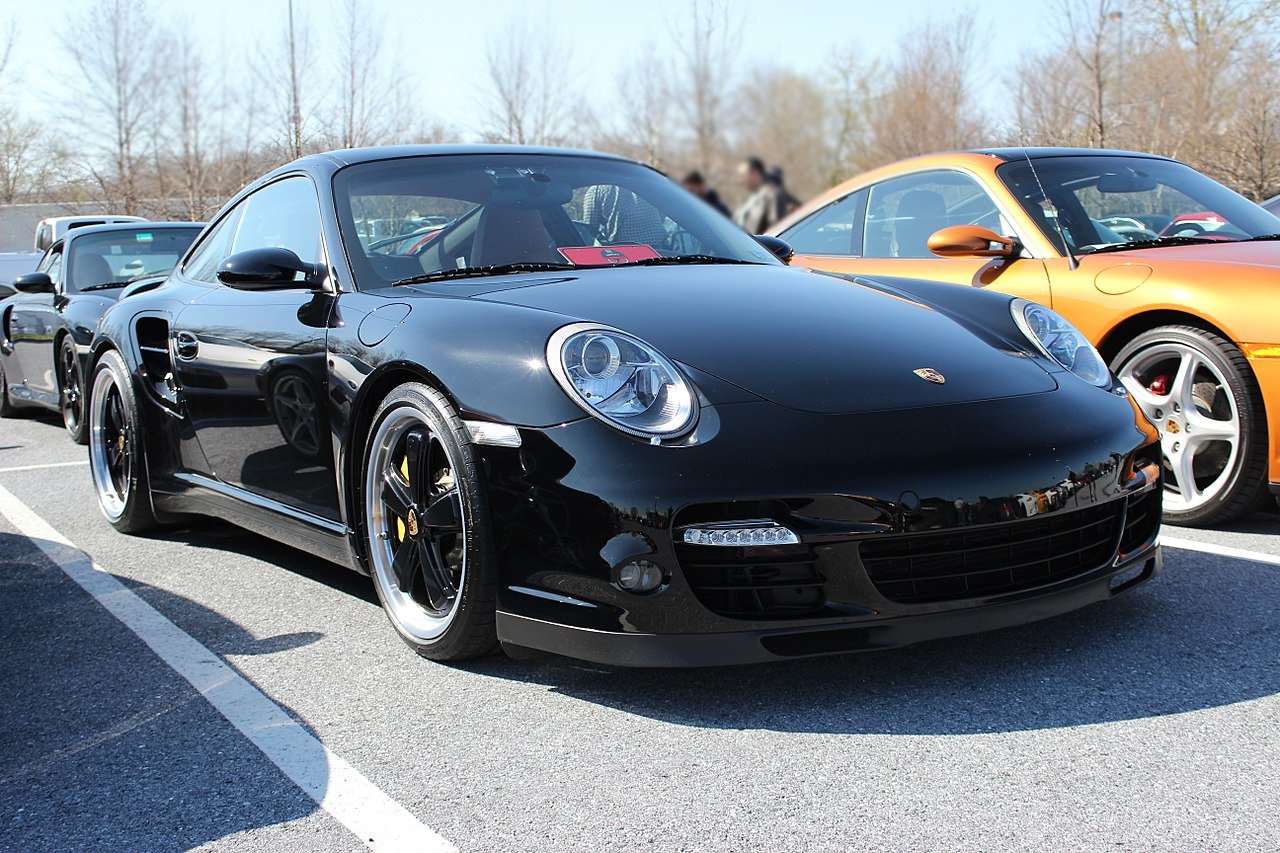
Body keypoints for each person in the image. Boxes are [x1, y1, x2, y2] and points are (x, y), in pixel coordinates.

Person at [582, 183, 668, 248]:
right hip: (660, 249)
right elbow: (663, 215)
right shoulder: (649, 186)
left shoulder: (597, 190)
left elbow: (589, 229)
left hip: (622, 251)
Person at [733, 157, 787, 234]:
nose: (741, 180)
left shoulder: (772, 195)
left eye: (743, 175)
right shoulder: (749, 200)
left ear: (755, 173)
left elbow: (776, 229)